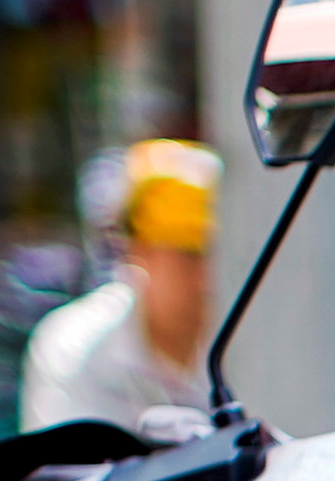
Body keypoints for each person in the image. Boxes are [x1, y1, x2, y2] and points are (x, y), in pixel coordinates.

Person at [21, 141, 219, 438]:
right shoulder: (74, 348)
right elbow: (67, 475)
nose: (206, 275)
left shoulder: (257, 339)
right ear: (138, 250)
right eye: (188, 254)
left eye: (215, 254)